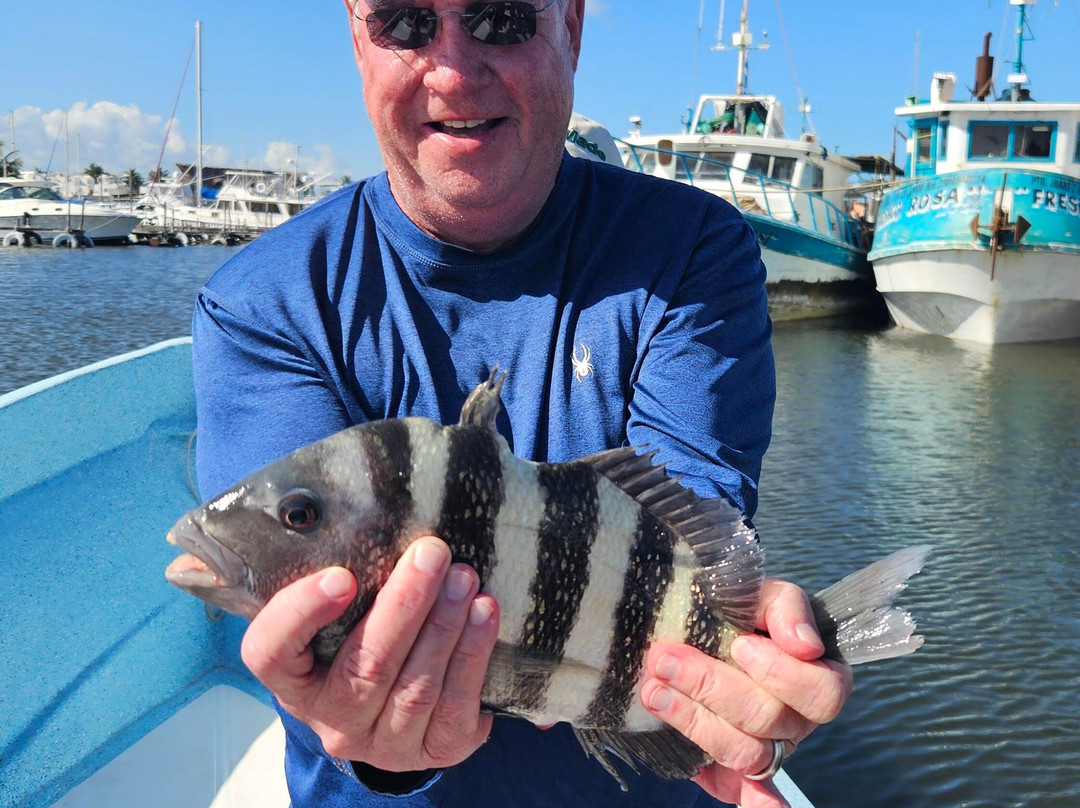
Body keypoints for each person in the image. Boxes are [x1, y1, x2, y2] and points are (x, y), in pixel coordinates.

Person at [190, 1, 853, 807]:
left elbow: (687, 531)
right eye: (404, 23)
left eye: (502, 17)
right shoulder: (265, 302)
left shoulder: (691, 250)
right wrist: (372, 740)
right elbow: (307, 627)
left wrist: (768, 654)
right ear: (356, 36)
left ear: (570, 27)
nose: (455, 71)